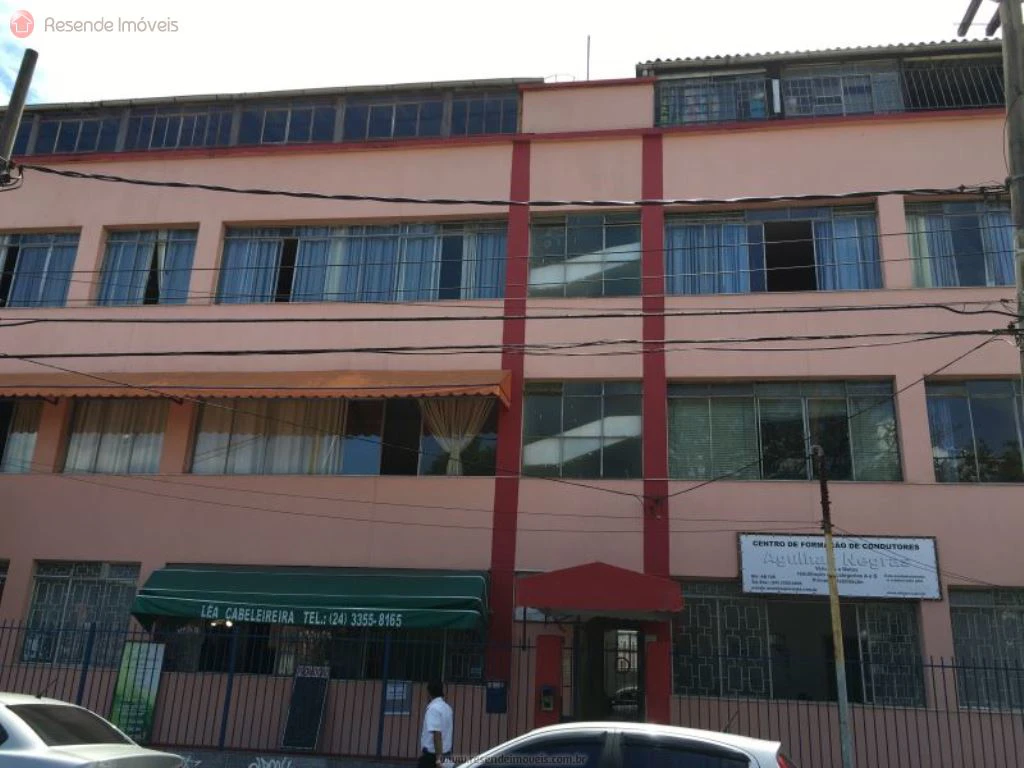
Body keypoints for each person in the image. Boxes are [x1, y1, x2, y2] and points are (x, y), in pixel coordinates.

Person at [419, 679, 453, 768]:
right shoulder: (447, 708)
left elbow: (437, 734)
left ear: (429, 692)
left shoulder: (433, 709)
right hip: (446, 755)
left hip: (432, 757)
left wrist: (438, 760)